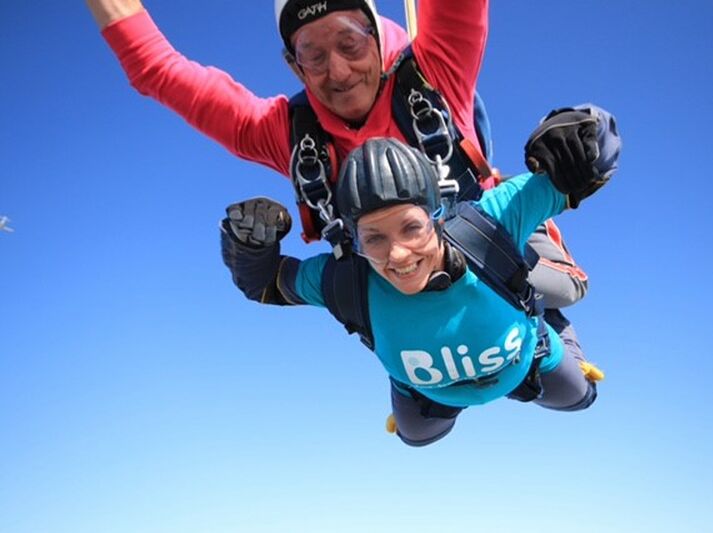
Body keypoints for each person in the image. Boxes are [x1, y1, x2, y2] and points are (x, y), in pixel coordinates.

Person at [86, 0, 606, 362]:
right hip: (395, 281)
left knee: (554, 296)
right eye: (313, 55)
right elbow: (154, 70)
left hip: (499, 250)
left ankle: (545, 331)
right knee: (417, 423)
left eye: (350, 43)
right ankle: (424, 394)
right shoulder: (284, 133)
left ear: (377, 36)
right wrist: (257, 262)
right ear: (294, 66)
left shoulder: (436, 72)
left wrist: (578, 147)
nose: (337, 71)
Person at [220, 107, 619, 446]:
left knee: (581, 397)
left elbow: (591, 160)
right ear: (353, 240)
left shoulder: (488, 224)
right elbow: (266, 284)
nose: (397, 254)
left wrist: (578, 132)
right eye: (373, 238)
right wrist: (249, 244)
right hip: (439, 391)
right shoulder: (346, 279)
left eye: (412, 228)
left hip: (527, 358)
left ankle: (550, 320)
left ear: (438, 217)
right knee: (416, 438)